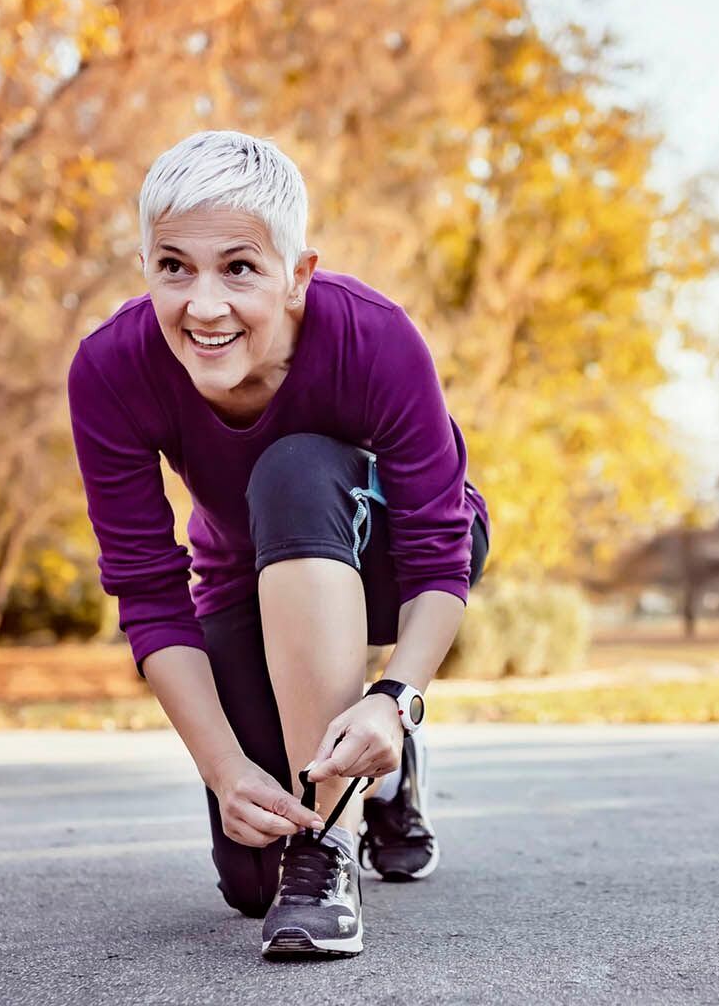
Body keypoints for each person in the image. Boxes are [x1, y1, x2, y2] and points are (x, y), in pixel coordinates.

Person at [66, 130, 490, 960]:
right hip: (245, 582)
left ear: (298, 273)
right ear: (146, 266)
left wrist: (396, 695)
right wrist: (224, 769)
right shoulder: (110, 370)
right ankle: (379, 774)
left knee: (291, 470)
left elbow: (439, 552)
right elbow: (152, 594)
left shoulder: (374, 336)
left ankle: (334, 842)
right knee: (251, 878)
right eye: (174, 267)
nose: (205, 305)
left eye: (240, 267)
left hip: (393, 558)